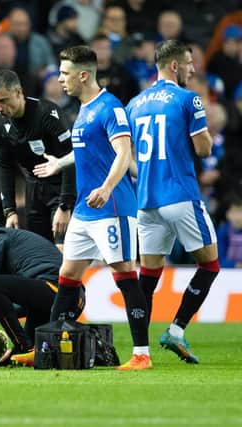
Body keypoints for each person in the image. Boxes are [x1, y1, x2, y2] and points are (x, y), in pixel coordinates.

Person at [46, 45, 151, 371]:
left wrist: (106, 188)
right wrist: (58, 164)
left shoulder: (110, 108)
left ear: (83, 74)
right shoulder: (85, 109)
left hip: (112, 205)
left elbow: (123, 154)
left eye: (64, 74)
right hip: (85, 208)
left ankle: (141, 354)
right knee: (67, 275)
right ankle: (47, 348)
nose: (60, 79)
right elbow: (87, 151)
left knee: (123, 274)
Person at [125, 40, 219, 364]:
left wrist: (148, 172)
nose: (194, 69)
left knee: (147, 278)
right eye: (190, 63)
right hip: (180, 195)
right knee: (210, 265)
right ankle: (176, 330)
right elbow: (204, 150)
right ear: (175, 66)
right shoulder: (187, 99)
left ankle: (140, 352)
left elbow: (125, 156)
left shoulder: (134, 104)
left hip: (146, 200)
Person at [0, 221, 85, 367]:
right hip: (67, 297)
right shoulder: (14, 244)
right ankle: (22, 348)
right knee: (19, 357)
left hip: (58, 292)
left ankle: (23, 345)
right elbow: (17, 298)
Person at [0, 69, 75, 248]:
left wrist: (65, 205)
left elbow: (72, 158)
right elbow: (4, 165)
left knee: (63, 250)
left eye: (3, 100)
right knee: (40, 253)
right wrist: (9, 210)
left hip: (61, 187)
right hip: (33, 191)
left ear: (18, 92)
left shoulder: (48, 114)